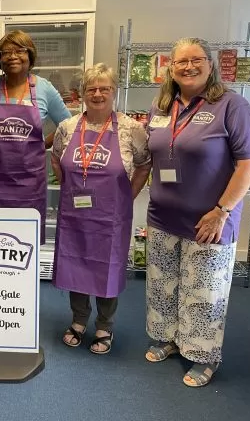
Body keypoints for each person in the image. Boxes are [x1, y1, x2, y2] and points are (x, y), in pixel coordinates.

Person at [145, 37, 250, 387]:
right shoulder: (162, 106)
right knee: (162, 287)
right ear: (171, 68)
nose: (188, 66)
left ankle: (202, 354)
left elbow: (249, 163)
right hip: (163, 216)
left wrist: (222, 210)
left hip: (209, 220)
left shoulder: (232, 106)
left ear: (210, 66)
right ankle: (168, 338)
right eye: (181, 61)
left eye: (197, 60)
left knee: (204, 292)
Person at [51, 63, 151, 354]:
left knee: (108, 266)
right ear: (82, 93)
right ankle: (79, 319)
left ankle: (105, 325)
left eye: (104, 88)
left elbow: (144, 164)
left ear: (114, 92)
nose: (97, 94)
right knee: (75, 263)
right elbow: (57, 158)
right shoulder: (67, 127)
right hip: (74, 216)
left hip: (111, 217)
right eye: (91, 88)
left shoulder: (132, 129)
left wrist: (127, 197)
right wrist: (69, 187)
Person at [0, 30, 71, 243]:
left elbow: (67, 125)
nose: (12, 56)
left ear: (30, 55)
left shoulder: (44, 88)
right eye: (5, 52)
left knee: (25, 245)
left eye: (19, 50)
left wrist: (43, 144)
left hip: (30, 184)